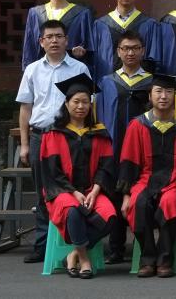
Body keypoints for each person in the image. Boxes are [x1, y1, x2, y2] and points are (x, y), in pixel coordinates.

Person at [16, 19, 92, 263]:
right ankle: (42, 245)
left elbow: (90, 105)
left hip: (70, 138)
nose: (54, 40)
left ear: (67, 40)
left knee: (73, 190)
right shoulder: (32, 70)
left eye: (59, 36)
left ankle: (74, 244)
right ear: (41, 41)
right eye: (49, 37)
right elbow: (25, 108)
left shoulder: (79, 68)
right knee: (43, 193)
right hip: (40, 136)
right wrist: (25, 144)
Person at [117, 73, 176, 278]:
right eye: (158, 91)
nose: (163, 96)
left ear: (175, 95)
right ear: (150, 96)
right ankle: (148, 258)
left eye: (169, 92)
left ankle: (164, 259)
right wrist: (126, 195)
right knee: (138, 204)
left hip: (175, 182)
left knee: (170, 203)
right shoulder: (138, 125)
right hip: (145, 180)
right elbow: (128, 161)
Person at [39, 73, 116, 279]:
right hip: (62, 191)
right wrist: (73, 192)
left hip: (91, 189)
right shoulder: (54, 133)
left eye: (85, 102)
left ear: (91, 105)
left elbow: (106, 166)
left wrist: (96, 190)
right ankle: (84, 259)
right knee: (73, 210)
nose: (81, 106)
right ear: (66, 104)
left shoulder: (99, 132)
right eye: (76, 102)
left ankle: (73, 254)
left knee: (109, 216)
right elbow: (52, 171)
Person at [95, 29, 154, 263]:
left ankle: (145, 247)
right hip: (115, 146)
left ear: (143, 51)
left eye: (135, 48)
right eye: (126, 48)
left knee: (141, 195)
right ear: (118, 52)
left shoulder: (152, 83)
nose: (130, 53)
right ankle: (116, 247)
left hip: (144, 148)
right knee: (116, 194)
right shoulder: (106, 82)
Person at [92, 0, 166, 82]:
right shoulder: (101, 25)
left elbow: (154, 61)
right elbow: (95, 60)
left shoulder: (149, 24)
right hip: (107, 85)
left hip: (140, 85)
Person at [22, 0, 92, 71]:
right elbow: (29, 47)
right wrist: (28, 71)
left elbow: (89, 48)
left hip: (71, 70)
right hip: (42, 71)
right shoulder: (35, 13)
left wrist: (82, 52)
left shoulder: (82, 14)